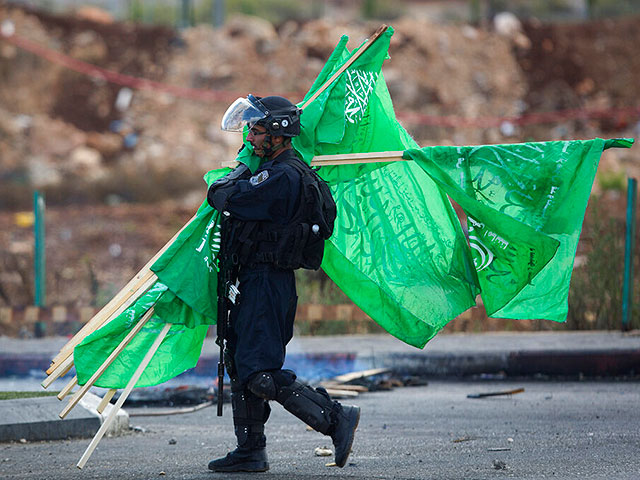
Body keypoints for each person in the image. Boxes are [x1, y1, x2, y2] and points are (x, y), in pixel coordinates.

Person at [206, 95, 360, 473]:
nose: (249, 136)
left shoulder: (284, 176)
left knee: (260, 373)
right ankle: (250, 451)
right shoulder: (273, 168)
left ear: (278, 133)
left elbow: (225, 196)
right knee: (242, 366)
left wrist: (233, 176)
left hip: (267, 281)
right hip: (250, 279)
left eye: (256, 129)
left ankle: (335, 417)